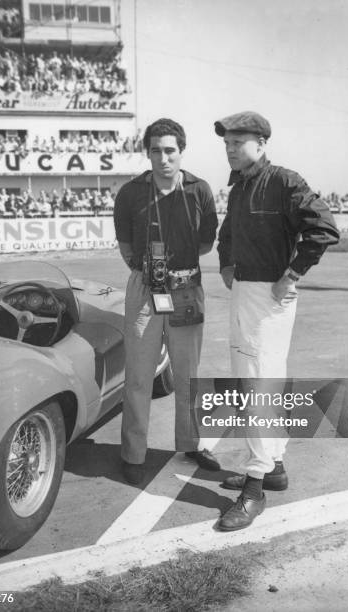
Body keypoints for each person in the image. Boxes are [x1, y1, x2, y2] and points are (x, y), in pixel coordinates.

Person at [214, 111, 339, 530]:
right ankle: (275, 466)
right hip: (245, 291)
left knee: (256, 385)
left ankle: (254, 488)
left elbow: (323, 227)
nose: (230, 149)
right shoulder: (239, 186)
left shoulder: (284, 181)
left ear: (261, 143)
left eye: (238, 142)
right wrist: (225, 263)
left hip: (270, 295)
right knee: (256, 378)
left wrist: (293, 273)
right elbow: (227, 232)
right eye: (227, 143)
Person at [113, 118, 219, 485]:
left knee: (188, 374)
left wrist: (176, 268)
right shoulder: (130, 193)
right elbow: (126, 245)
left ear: (181, 151)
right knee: (140, 376)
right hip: (145, 288)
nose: (163, 157)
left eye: (170, 150)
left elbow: (206, 242)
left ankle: (190, 444)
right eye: (156, 150)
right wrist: (150, 272)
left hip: (186, 287)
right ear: (148, 153)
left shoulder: (199, 190)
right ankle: (133, 453)